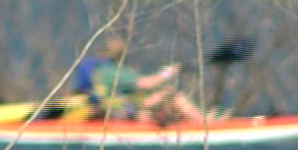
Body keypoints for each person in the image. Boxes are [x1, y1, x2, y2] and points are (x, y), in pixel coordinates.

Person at [70, 36, 211, 124]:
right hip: (119, 111)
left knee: (160, 103)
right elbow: (147, 84)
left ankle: (196, 119)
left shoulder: (96, 68)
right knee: (170, 92)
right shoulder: (113, 71)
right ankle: (203, 123)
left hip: (107, 108)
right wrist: (167, 73)